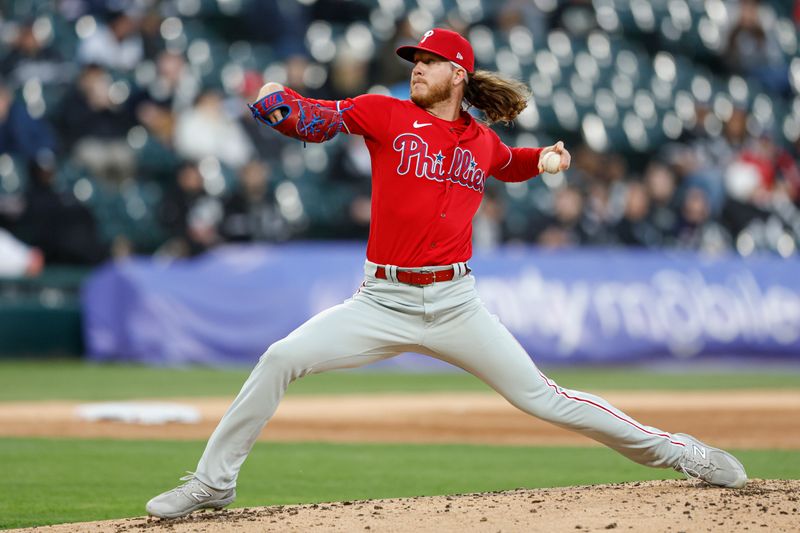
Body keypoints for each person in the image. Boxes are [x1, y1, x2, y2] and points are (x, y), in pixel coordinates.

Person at [146, 28, 747, 519]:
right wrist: (279, 105)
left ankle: (680, 452)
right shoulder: (384, 113)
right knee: (279, 358)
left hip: (457, 304)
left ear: (458, 74)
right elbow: (319, 118)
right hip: (381, 300)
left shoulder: (480, 141)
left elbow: (507, 163)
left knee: (547, 399)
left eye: (430, 61)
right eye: (415, 59)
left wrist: (546, 158)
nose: (417, 67)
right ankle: (212, 484)